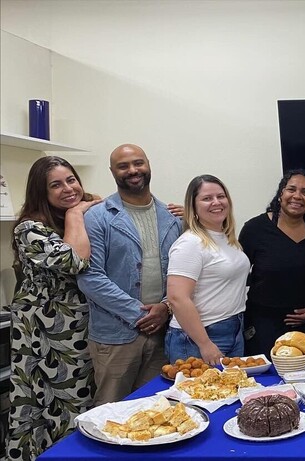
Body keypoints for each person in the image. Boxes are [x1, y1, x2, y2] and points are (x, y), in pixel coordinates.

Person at [5, 157, 101, 461]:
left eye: (71, 180)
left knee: (78, 396)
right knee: (67, 399)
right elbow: (74, 261)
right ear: (40, 191)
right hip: (47, 327)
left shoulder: (69, 217)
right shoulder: (29, 229)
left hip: (76, 322)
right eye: (55, 184)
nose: (68, 188)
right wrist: (76, 213)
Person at [78, 144, 182, 405]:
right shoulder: (97, 216)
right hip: (115, 336)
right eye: (123, 166)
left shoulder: (172, 217)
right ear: (112, 171)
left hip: (162, 333)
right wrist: (141, 314)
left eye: (138, 163)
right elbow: (90, 277)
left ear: (148, 165)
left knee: (156, 410)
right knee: (110, 412)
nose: (133, 170)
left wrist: (166, 307)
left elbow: (183, 273)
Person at [239, 169, 305, 359]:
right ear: (281, 193)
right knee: (263, 383)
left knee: (300, 382)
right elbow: (236, 273)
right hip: (261, 325)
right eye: (291, 189)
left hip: (304, 331)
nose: (297, 196)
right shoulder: (255, 229)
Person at [165, 175, 249, 365]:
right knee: (201, 394)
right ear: (193, 207)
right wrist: (205, 343)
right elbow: (177, 298)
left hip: (233, 329)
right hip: (199, 337)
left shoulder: (227, 240)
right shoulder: (189, 243)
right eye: (207, 198)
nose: (216, 202)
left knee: (232, 392)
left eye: (221, 196)